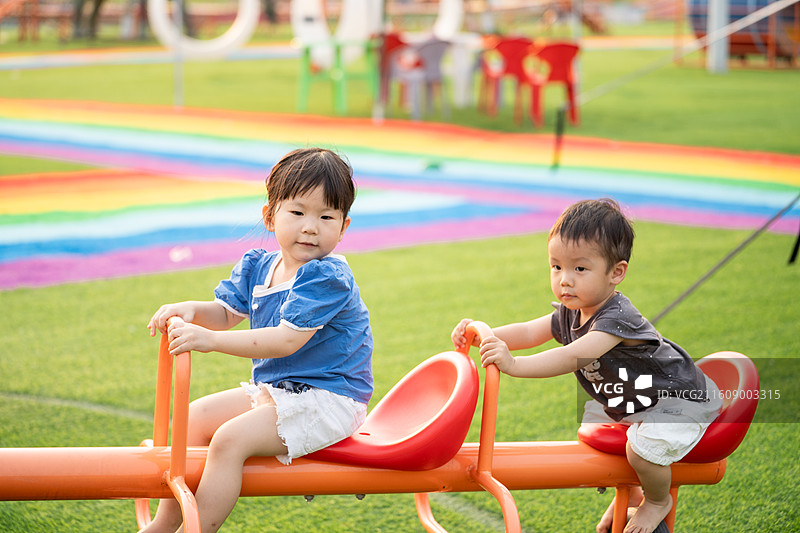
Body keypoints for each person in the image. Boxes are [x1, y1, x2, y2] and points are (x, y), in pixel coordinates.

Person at [451, 198, 721, 533]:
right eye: (556, 267)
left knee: (642, 451)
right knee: (604, 426)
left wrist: (514, 364)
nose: (565, 280)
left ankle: (656, 500)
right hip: (638, 403)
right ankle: (634, 490)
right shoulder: (571, 311)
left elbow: (572, 356)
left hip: (679, 401)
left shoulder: (616, 318)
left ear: (616, 273)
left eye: (579, 269)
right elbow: (530, 331)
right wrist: (481, 334)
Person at [143, 147, 373, 533]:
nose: (310, 227)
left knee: (229, 440)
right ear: (270, 216)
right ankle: (165, 523)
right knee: (195, 416)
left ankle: (194, 530)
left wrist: (209, 341)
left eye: (326, 217)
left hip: (329, 399)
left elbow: (285, 341)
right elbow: (225, 313)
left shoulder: (326, 276)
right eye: (297, 212)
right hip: (281, 391)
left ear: (343, 226)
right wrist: (191, 310)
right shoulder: (259, 266)